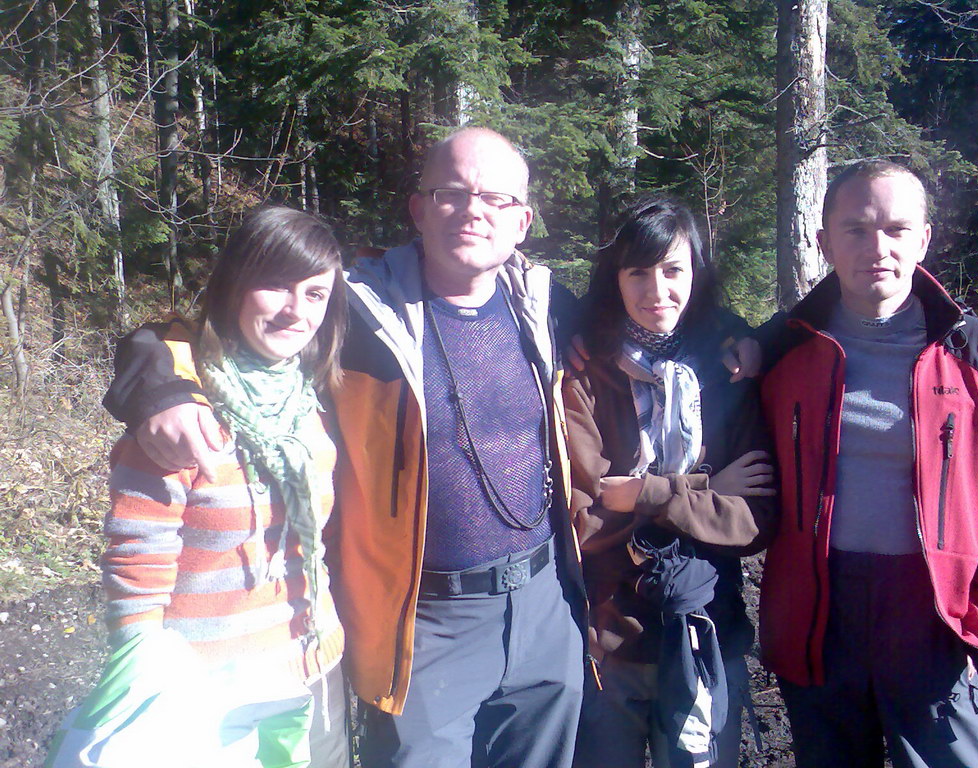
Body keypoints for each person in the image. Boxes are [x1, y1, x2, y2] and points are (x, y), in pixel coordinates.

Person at [101, 127, 587, 768]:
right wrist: (159, 388)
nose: (474, 211)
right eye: (452, 193)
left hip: (544, 600)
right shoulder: (355, 310)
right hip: (423, 619)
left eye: (496, 199)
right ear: (418, 208)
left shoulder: (549, 307)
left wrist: (747, 345)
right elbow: (205, 331)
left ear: (523, 221)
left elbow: (665, 320)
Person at [50, 206, 349, 768]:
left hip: (313, 675)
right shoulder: (178, 420)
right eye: (275, 286)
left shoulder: (313, 406)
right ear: (235, 283)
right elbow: (137, 577)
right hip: (208, 698)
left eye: (315, 294)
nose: (295, 311)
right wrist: (145, 698)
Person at [756, 160, 978, 767]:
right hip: (820, 619)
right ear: (822, 241)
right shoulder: (782, 352)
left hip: (938, 616)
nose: (877, 246)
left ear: (924, 238)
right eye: (856, 229)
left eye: (897, 229)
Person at [562, 198, 776, 768]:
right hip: (611, 640)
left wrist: (651, 493)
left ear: (696, 274)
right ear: (616, 277)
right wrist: (709, 490)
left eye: (673, 269)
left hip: (708, 624)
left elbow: (754, 519)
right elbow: (586, 518)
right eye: (638, 271)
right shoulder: (583, 371)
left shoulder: (728, 371)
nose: (657, 288)